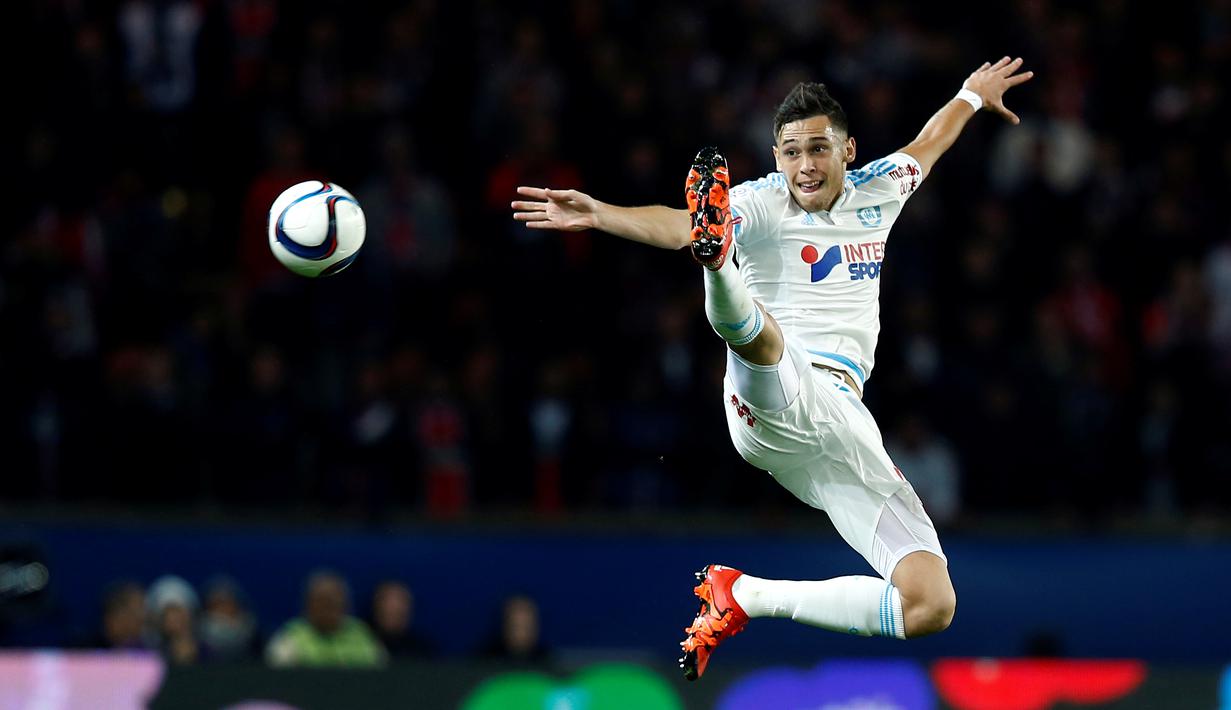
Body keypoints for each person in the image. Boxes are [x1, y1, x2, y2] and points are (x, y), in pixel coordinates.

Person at [511, 57, 1033, 680]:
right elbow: (677, 226)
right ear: (775, 156)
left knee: (930, 604)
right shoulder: (759, 203)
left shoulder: (880, 190)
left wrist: (972, 95)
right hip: (767, 399)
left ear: (848, 149)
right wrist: (601, 214)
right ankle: (719, 263)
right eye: (790, 152)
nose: (804, 165)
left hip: (837, 430)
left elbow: (929, 141)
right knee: (758, 337)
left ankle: (746, 596)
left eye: (818, 148)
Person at [265, 570, 386, 668]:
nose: (331, 610)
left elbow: (382, 674)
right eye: (325, 603)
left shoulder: (362, 634)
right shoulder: (290, 637)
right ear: (309, 605)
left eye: (337, 603)